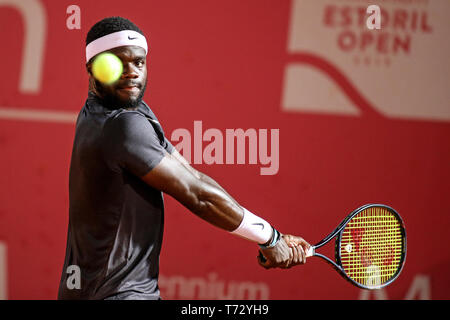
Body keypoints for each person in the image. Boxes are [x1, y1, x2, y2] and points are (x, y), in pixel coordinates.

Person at [58, 16, 310, 300]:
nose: (132, 73)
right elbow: (197, 194)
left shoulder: (123, 112)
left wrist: (267, 237)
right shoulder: (122, 126)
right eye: (117, 63)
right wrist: (270, 237)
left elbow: (192, 176)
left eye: (139, 62)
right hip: (116, 294)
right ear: (91, 69)